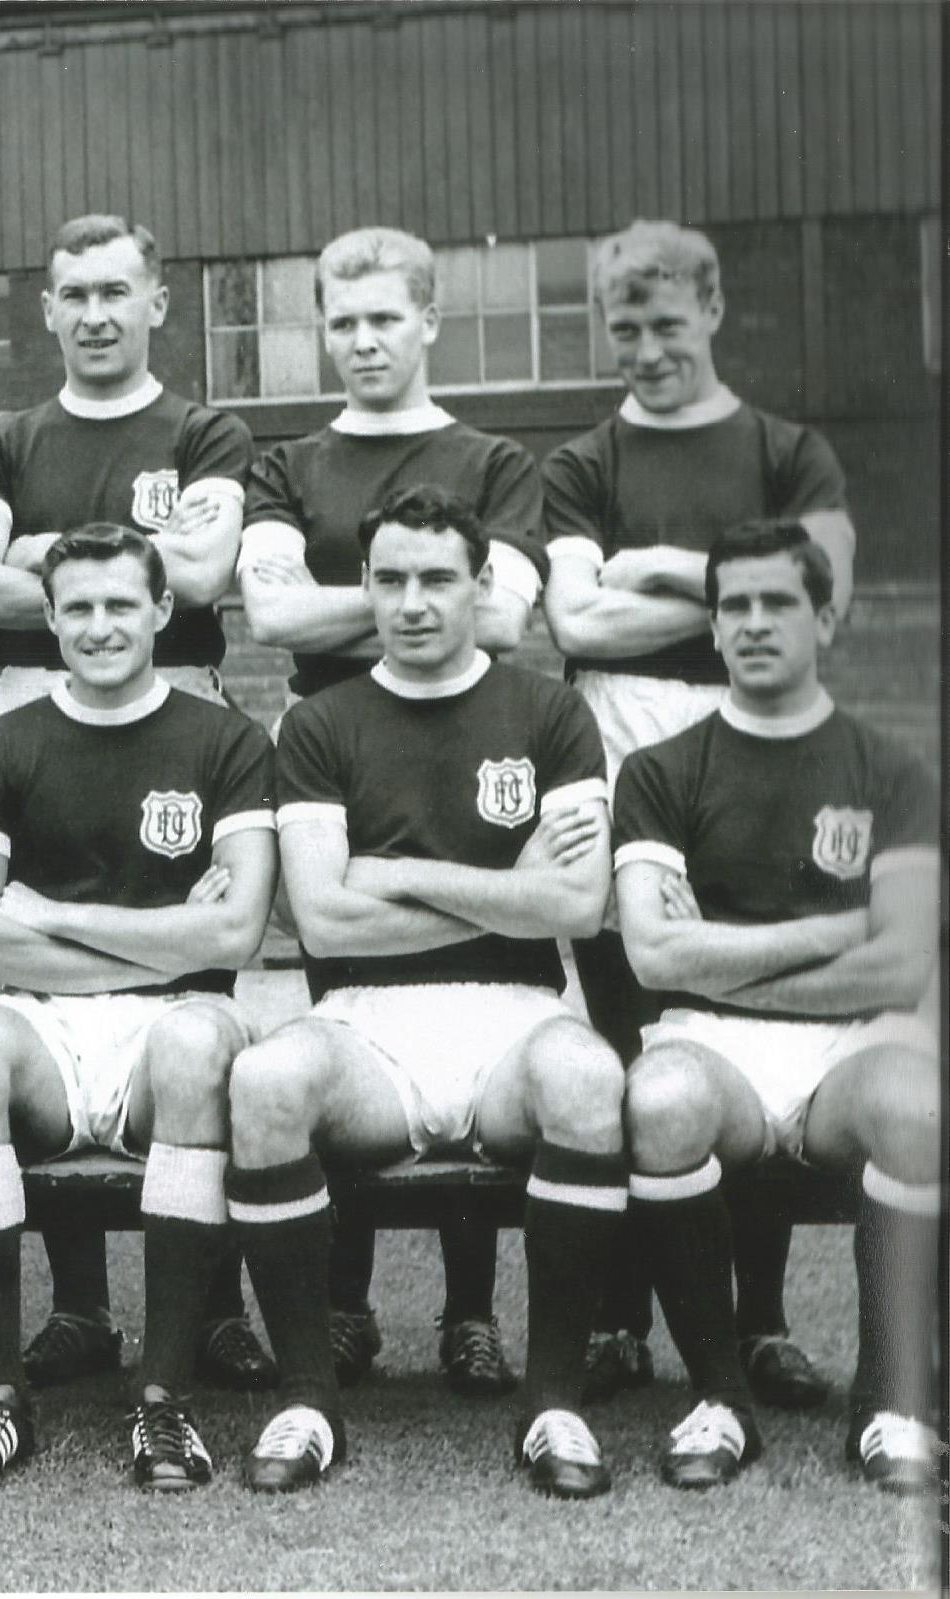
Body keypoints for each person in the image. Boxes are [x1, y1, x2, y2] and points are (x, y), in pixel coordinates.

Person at [228, 485, 624, 1498]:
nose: (411, 601)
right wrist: (510, 885)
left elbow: (576, 906)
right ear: (361, 585)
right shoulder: (319, 722)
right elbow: (322, 920)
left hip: (516, 1017)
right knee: (268, 1081)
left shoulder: (547, 709)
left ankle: (553, 1405)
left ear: (480, 585)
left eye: (436, 578)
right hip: (369, 1025)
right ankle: (307, 1399)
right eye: (389, 578)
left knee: (587, 1078)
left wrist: (396, 871)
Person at [0, 213, 267, 1391]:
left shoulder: (203, 429)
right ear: (46, 308)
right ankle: (78, 1304)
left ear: (156, 301)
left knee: (191, 994)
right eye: (71, 292)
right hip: (33, 701)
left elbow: (199, 578)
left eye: (114, 291)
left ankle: (211, 1302)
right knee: (29, 979)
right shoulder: (4, 435)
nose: (92, 312)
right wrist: (104, 563)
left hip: (177, 703)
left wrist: (41, 559)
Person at [542, 220, 855, 1410]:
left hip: (763, 746)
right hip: (626, 749)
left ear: (713, 311)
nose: (645, 349)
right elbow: (576, 625)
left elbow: (815, 609)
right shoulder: (582, 463)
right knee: (632, 1038)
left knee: (741, 1026)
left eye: (666, 324)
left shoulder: (784, 448)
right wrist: (727, 580)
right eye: (623, 329)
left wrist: (655, 569)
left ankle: (759, 1322)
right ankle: (623, 1318)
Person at [236, 225, 545, 1394]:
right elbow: (266, 621)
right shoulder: (290, 465)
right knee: (349, 1006)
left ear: (427, 322)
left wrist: (359, 606)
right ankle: (344, 1305)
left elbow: (508, 625)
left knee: (481, 986)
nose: (363, 340)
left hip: (471, 739)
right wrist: (423, 611)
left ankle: (468, 1312)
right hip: (336, 751)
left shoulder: (493, 460)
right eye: (342, 319)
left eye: (384, 319)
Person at [0, 524, 276, 1491]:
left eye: (122, 604)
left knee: (204, 1048)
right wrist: (163, 928)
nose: (100, 624)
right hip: (44, 1020)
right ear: (47, 617)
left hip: (176, 1019)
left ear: (165, 610)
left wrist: (52, 915)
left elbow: (237, 935)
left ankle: (163, 1401)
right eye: (76, 606)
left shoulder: (227, 740)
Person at [610, 521, 937, 1495]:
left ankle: (887, 1403)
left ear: (824, 616)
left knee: (919, 1108)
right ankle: (717, 1397)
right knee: (660, 1104)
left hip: (854, 1045)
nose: (753, 623)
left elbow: (903, 963)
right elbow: (654, 954)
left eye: (777, 602)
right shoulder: (661, 770)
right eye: (733, 606)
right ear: (711, 627)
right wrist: (836, 933)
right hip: (713, 1044)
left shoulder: (891, 770)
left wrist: (724, 958)